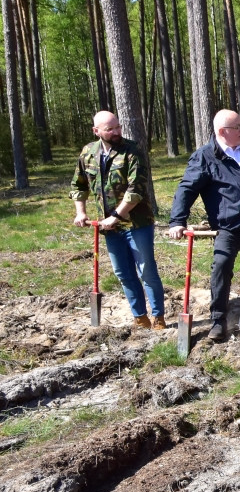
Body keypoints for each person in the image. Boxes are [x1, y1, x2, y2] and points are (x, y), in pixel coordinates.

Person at [168, 110, 240, 342]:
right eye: (237, 127)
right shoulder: (205, 157)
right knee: (220, 272)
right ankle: (218, 322)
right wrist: (178, 220)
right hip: (228, 229)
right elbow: (186, 189)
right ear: (222, 132)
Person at [71, 111, 166, 329]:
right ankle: (140, 317)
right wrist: (81, 212)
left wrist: (116, 215)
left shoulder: (132, 150)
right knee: (123, 272)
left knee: (147, 271)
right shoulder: (88, 153)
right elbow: (78, 185)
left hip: (137, 223)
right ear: (96, 131)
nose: (116, 132)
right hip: (108, 228)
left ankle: (158, 316)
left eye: (117, 127)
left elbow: (136, 189)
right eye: (109, 129)